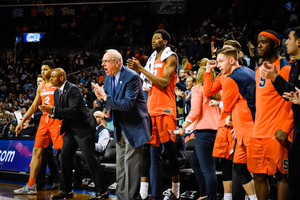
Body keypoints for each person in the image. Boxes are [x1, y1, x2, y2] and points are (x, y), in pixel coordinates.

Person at [127, 29, 181, 200]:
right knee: (149, 150)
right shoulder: (152, 59)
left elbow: (164, 83)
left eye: (157, 38)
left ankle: (176, 191)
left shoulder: (170, 57)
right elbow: (146, 83)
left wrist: (141, 69)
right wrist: (137, 71)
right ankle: (145, 193)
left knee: (170, 150)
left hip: (165, 108)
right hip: (151, 107)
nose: (154, 40)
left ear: (165, 42)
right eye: (152, 38)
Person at [39, 68, 107, 200]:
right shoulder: (57, 92)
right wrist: (50, 112)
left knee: (90, 158)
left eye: (53, 77)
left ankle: (102, 191)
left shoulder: (73, 89)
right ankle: (66, 190)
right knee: (64, 157)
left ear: (62, 78)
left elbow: (73, 110)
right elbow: (61, 112)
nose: (50, 79)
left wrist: (53, 109)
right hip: (70, 128)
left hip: (84, 128)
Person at [92, 49, 151, 200]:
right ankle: (121, 197)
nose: (103, 64)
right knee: (121, 168)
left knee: (131, 168)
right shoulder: (108, 76)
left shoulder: (132, 77)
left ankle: (130, 198)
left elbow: (127, 104)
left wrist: (105, 98)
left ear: (117, 62)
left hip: (134, 126)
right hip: (120, 125)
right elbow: (107, 99)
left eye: (106, 61)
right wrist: (100, 98)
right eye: (103, 62)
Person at [248, 30, 292, 200]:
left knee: (282, 176)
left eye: (263, 42)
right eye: (258, 42)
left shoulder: (286, 68)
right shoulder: (259, 70)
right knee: (258, 175)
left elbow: (292, 102)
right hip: (258, 132)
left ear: (275, 44)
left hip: (277, 133)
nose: (258, 45)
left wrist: (286, 129)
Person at [260, 26, 300, 200]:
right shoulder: (294, 65)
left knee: (287, 177)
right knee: (294, 179)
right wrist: (274, 77)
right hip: (295, 128)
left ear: (299, 42)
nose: (287, 42)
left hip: (285, 128)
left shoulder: (285, 65)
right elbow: (289, 95)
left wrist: (284, 127)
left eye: (289, 39)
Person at [13, 60, 64, 195]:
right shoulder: (41, 87)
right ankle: (31, 185)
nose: (43, 72)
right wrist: (22, 120)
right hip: (44, 122)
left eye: (46, 69)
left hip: (57, 120)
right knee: (36, 152)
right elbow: (34, 106)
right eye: (41, 69)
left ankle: (66, 185)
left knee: (64, 153)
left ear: (52, 71)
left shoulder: (58, 84)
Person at [215, 47, 257, 200]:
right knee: (239, 166)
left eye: (220, 61)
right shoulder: (249, 71)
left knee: (257, 172)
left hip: (249, 129)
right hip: (245, 128)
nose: (218, 65)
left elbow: (226, 106)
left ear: (232, 60)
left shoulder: (231, 79)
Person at [179, 66, 221, 200]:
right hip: (217, 131)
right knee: (195, 161)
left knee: (208, 169)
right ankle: (204, 193)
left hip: (204, 132)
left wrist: (184, 126)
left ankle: (211, 197)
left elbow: (195, 111)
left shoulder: (197, 89)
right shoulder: (218, 90)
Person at [73, 111, 110, 189]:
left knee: (78, 155)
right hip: (86, 152)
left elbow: (101, 147)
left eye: (97, 117)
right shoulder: (89, 129)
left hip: (97, 155)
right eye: (93, 117)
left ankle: (78, 181)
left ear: (102, 119)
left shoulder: (104, 131)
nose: (94, 118)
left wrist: (87, 144)